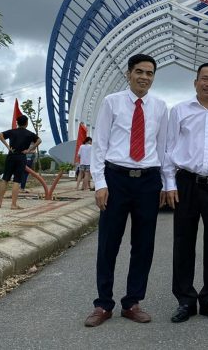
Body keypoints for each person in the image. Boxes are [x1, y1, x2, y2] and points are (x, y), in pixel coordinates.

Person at [84, 54, 168, 328]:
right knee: (109, 243)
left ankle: (132, 302)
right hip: (116, 178)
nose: (144, 77)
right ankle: (103, 304)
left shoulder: (160, 106)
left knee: (143, 245)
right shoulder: (112, 102)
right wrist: (100, 183)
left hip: (148, 180)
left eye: (150, 73)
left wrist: (165, 183)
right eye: (139, 72)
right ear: (129, 73)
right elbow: (100, 144)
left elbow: (163, 147)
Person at [164, 63, 208, 324]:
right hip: (186, 182)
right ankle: (185, 300)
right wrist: (169, 184)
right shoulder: (179, 110)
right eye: (204, 78)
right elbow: (168, 149)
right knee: (183, 242)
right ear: (195, 83)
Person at [0, 115, 41, 210]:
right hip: (21, 157)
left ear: (17, 123)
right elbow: (39, 140)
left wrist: (7, 146)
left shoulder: (12, 131)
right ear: (26, 123)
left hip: (11, 156)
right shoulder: (29, 133)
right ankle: (13, 204)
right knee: (17, 180)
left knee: (5, 179)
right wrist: (29, 150)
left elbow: (0, 135)